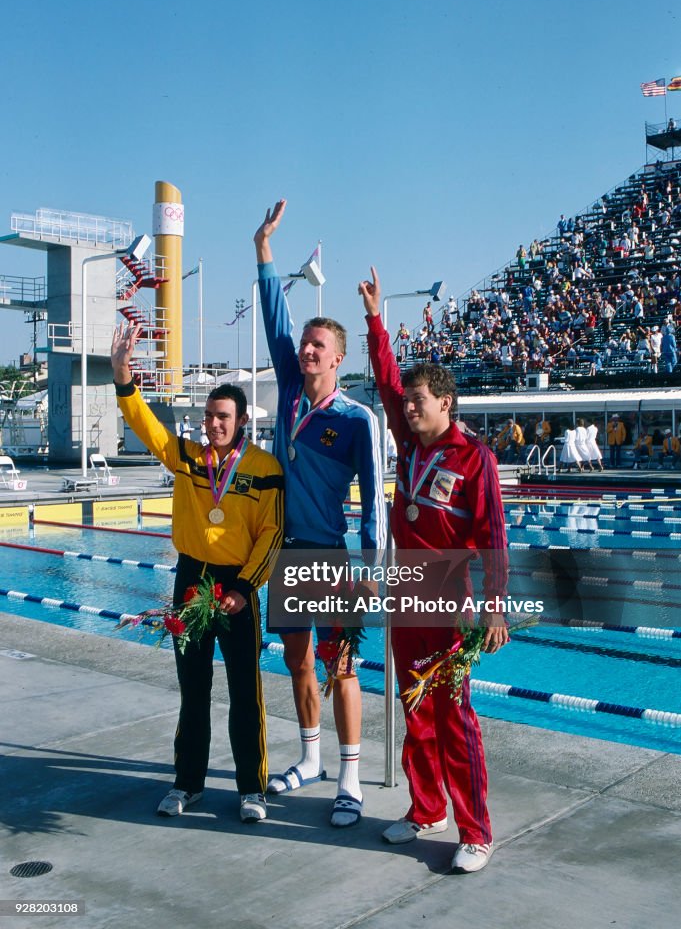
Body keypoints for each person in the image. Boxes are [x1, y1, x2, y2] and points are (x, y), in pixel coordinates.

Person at [358, 266, 509, 875]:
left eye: (419, 402)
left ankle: (476, 830)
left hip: (450, 596)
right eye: (409, 402)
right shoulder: (410, 441)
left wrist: (495, 606)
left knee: (453, 715)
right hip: (404, 593)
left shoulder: (476, 459)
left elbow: (494, 535)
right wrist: (374, 321)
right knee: (415, 706)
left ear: (445, 402)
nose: (409, 407)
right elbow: (387, 380)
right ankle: (426, 810)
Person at [111, 323, 284, 824]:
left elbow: (270, 534)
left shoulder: (265, 467)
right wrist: (123, 374)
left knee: (244, 692)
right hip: (191, 579)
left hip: (239, 584)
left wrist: (244, 588)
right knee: (194, 689)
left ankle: (253, 789)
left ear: (242, 420)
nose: (213, 424)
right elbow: (146, 425)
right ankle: (188, 783)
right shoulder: (188, 458)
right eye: (209, 416)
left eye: (222, 417)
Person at [254, 200, 385, 828]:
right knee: (296, 659)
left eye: (319, 345)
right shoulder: (286, 389)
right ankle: (309, 759)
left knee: (340, 665)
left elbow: (374, 501)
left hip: (330, 555)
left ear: (339, 359)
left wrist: (371, 566)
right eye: (305, 343)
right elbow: (275, 316)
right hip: (286, 550)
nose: (306, 349)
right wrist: (264, 250)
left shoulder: (357, 420)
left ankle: (351, 779)